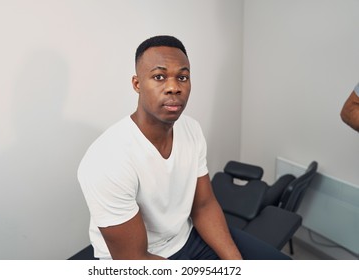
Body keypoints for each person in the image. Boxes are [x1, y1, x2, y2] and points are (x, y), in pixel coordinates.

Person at [78, 35, 290, 260]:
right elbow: (134, 259)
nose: (173, 87)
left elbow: (204, 206)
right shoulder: (107, 159)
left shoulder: (192, 129)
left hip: (188, 238)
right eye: (159, 77)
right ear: (137, 84)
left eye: (182, 77)